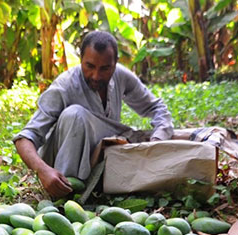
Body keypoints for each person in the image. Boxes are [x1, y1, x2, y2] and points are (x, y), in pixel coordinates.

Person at [14, 31, 173, 198]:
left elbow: (157, 107)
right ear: (81, 60)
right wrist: (43, 170)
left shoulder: (121, 75)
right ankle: (66, 195)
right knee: (75, 114)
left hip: (99, 162)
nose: (96, 75)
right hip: (58, 167)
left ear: (115, 63)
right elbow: (25, 138)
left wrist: (157, 142)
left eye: (105, 68)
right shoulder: (65, 86)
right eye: (89, 66)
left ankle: (95, 187)